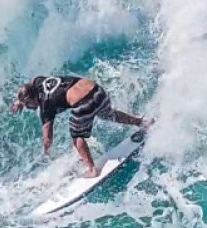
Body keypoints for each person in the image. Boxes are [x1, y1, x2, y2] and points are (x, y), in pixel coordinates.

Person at [10, 75, 149, 177]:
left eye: (28, 105)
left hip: (84, 103)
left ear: (32, 98)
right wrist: (19, 102)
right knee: (108, 114)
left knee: (77, 138)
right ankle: (142, 122)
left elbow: (48, 137)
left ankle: (92, 170)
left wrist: (46, 152)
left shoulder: (46, 106)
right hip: (98, 91)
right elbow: (32, 81)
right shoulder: (38, 82)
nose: (28, 108)